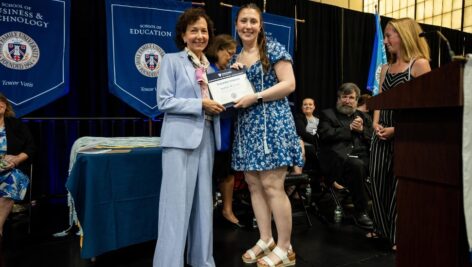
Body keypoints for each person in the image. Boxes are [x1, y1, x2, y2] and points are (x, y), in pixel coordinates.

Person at [230, 3, 303, 267]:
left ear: (260, 26)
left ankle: (286, 248)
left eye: (253, 21)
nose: (248, 26)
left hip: (273, 125)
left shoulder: (272, 48)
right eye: (243, 21)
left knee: (273, 186)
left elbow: (289, 84)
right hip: (249, 127)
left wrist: (256, 96)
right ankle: (265, 239)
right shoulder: (236, 58)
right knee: (254, 185)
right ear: (236, 25)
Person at [152, 8, 225, 267]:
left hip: (206, 137)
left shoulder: (211, 67)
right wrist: (201, 105)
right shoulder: (171, 60)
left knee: (204, 206)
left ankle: (203, 261)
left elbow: (221, 98)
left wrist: (233, 80)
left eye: (204, 30)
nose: (199, 35)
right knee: (175, 207)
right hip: (179, 140)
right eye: (193, 30)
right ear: (183, 35)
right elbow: (164, 101)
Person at [368, 17, 431, 251]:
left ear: (404, 35)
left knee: (399, 187)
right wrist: (375, 124)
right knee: (376, 180)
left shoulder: (420, 64)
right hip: (381, 131)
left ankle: (398, 235)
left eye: (389, 35)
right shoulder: (384, 68)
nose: (385, 41)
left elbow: (426, 107)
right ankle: (384, 228)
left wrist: (397, 130)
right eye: (384, 36)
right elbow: (381, 101)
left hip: (405, 133)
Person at [317, 83, 374, 229]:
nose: (347, 100)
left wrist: (361, 130)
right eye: (344, 97)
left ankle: (383, 210)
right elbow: (325, 135)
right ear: (338, 99)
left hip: (364, 157)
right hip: (338, 160)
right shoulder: (327, 114)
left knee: (383, 162)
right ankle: (361, 212)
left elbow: (374, 137)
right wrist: (348, 128)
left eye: (351, 98)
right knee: (357, 166)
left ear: (357, 100)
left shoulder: (364, 117)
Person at [206, 34, 243, 227]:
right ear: (218, 50)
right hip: (209, 129)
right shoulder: (206, 71)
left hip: (228, 128)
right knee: (208, 173)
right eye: (229, 53)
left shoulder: (231, 72)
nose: (231, 57)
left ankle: (227, 210)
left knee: (228, 172)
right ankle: (207, 212)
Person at [0, 92, 35, 240]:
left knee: (12, 182)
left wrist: (16, 159)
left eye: (1, 102)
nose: (0, 104)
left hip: (12, 168)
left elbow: (31, 148)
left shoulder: (16, 124)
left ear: (6, 106)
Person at [294, 98, 319, 172]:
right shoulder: (299, 118)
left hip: (318, 143)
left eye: (310, 104)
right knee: (311, 150)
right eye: (305, 104)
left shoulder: (319, 120)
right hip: (304, 143)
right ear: (302, 107)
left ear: (314, 107)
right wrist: (316, 141)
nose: (308, 106)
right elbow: (302, 133)